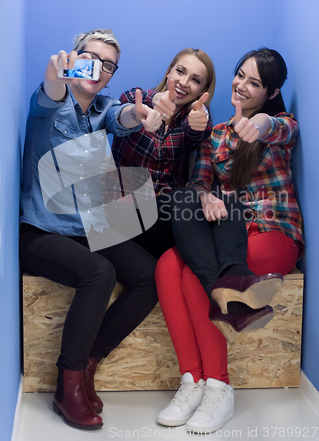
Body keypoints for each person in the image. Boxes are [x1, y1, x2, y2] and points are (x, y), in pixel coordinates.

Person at [19, 28, 163, 430]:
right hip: (40, 233)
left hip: (86, 229)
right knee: (99, 272)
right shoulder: (51, 102)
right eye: (91, 58)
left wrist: (142, 114)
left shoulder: (103, 106)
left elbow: (122, 117)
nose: (99, 69)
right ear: (75, 58)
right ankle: (67, 387)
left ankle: (88, 364)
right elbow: (51, 90)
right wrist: (55, 74)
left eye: (109, 65)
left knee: (147, 275)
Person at [154, 48, 304, 434]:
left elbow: (281, 129)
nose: (241, 85)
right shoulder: (215, 134)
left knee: (193, 279)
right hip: (229, 233)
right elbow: (200, 179)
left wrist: (263, 124)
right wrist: (204, 195)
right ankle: (193, 381)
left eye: (254, 82)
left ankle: (219, 386)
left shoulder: (280, 124)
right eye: (240, 75)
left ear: (270, 92)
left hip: (273, 232)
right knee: (168, 265)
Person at [111, 48, 215, 259]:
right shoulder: (137, 100)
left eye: (195, 80)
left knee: (203, 203)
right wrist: (156, 100)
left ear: (202, 90)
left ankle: (221, 280)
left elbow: (197, 131)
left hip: (165, 222)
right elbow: (126, 104)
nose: (184, 82)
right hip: (125, 216)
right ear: (169, 72)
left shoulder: (193, 120)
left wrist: (199, 121)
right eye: (180, 71)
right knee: (187, 199)